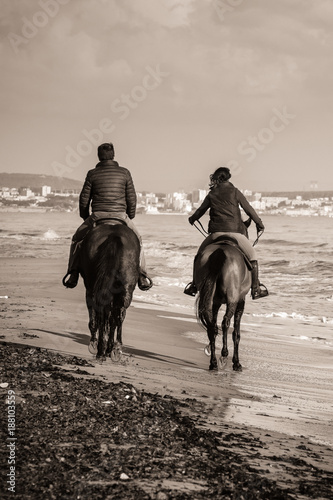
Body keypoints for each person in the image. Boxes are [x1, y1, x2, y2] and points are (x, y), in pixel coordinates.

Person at [62, 142, 153, 291]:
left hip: (98, 216)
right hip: (120, 216)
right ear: (113, 155)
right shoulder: (125, 173)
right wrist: (130, 215)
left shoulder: (92, 173)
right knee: (138, 240)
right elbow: (132, 198)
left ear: (98, 156)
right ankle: (142, 276)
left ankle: (73, 273)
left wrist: (86, 217)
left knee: (77, 239)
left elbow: (84, 199)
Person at [184, 167, 269, 300]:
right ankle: (255, 289)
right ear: (228, 178)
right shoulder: (235, 192)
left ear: (216, 178)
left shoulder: (212, 194)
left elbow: (200, 211)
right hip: (236, 233)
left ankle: (194, 286)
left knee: (199, 256)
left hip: (215, 234)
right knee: (252, 256)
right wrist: (259, 223)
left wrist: (192, 219)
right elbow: (249, 210)